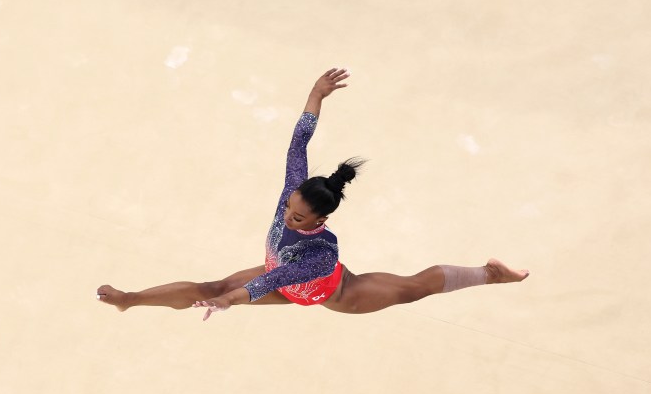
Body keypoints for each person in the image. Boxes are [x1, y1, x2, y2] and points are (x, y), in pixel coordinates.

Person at [97, 68, 529, 321]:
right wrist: (315, 95)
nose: (289, 218)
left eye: (299, 219)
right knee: (208, 285)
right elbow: (298, 143)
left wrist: (229, 301)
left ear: (320, 223)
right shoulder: (294, 190)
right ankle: (130, 300)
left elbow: (274, 280)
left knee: (416, 289)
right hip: (276, 277)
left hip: (333, 293)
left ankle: (490, 275)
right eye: (289, 210)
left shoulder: (322, 251)